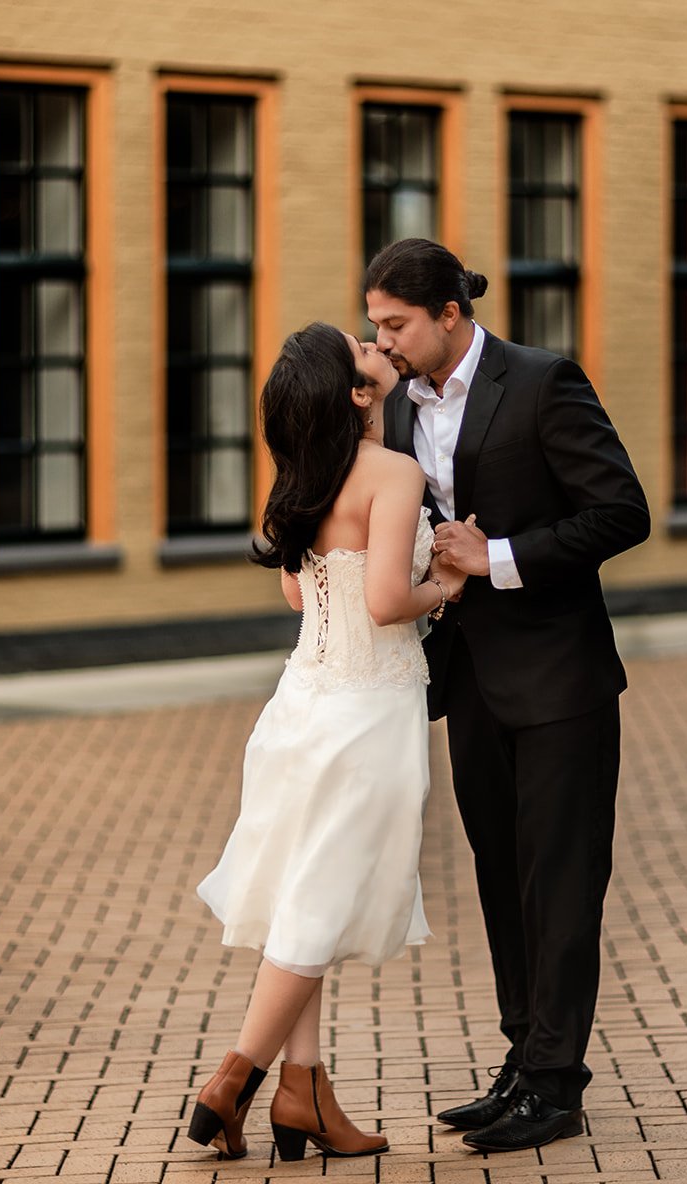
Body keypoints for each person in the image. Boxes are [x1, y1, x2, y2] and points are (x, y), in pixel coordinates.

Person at [365, 239, 651, 1155]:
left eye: (395, 324)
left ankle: (556, 1088)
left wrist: (496, 559)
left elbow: (620, 512)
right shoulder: (400, 412)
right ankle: (522, 1061)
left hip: (561, 680)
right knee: (499, 876)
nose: (384, 341)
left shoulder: (541, 381)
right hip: (470, 680)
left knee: (559, 882)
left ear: (449, 313)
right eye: (376, 325)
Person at [189, 322, 466, 1163]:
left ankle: (303, 1094)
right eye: (364, 349)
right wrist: (446, 584)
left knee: (304, 900)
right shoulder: (391, 473)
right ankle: (230, 1079)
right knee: (319, 903)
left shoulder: (305, 475)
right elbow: (384, 602)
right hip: (367, 715)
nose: (377, 346)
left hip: (300, 704)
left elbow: (293, 590)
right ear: (356, 391)